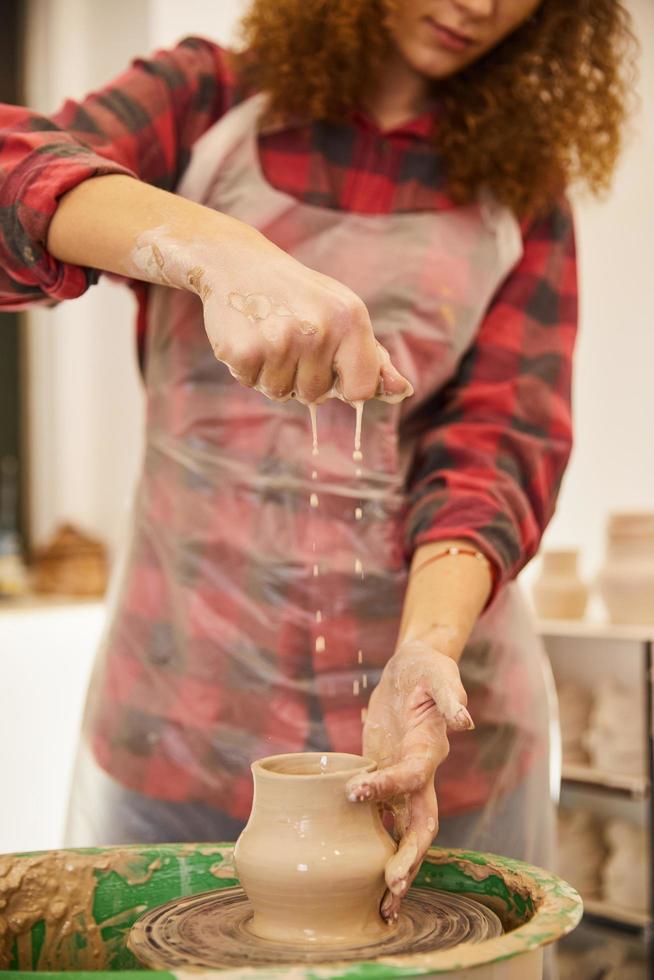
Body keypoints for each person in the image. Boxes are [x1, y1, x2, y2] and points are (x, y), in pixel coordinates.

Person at [0, 0, 633, 924]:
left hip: (434, 739)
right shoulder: (206, 101)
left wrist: (426, 649)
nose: (481, 5)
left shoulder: (521, 193)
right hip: (182, 722)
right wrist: (212, 248)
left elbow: (496, 452)